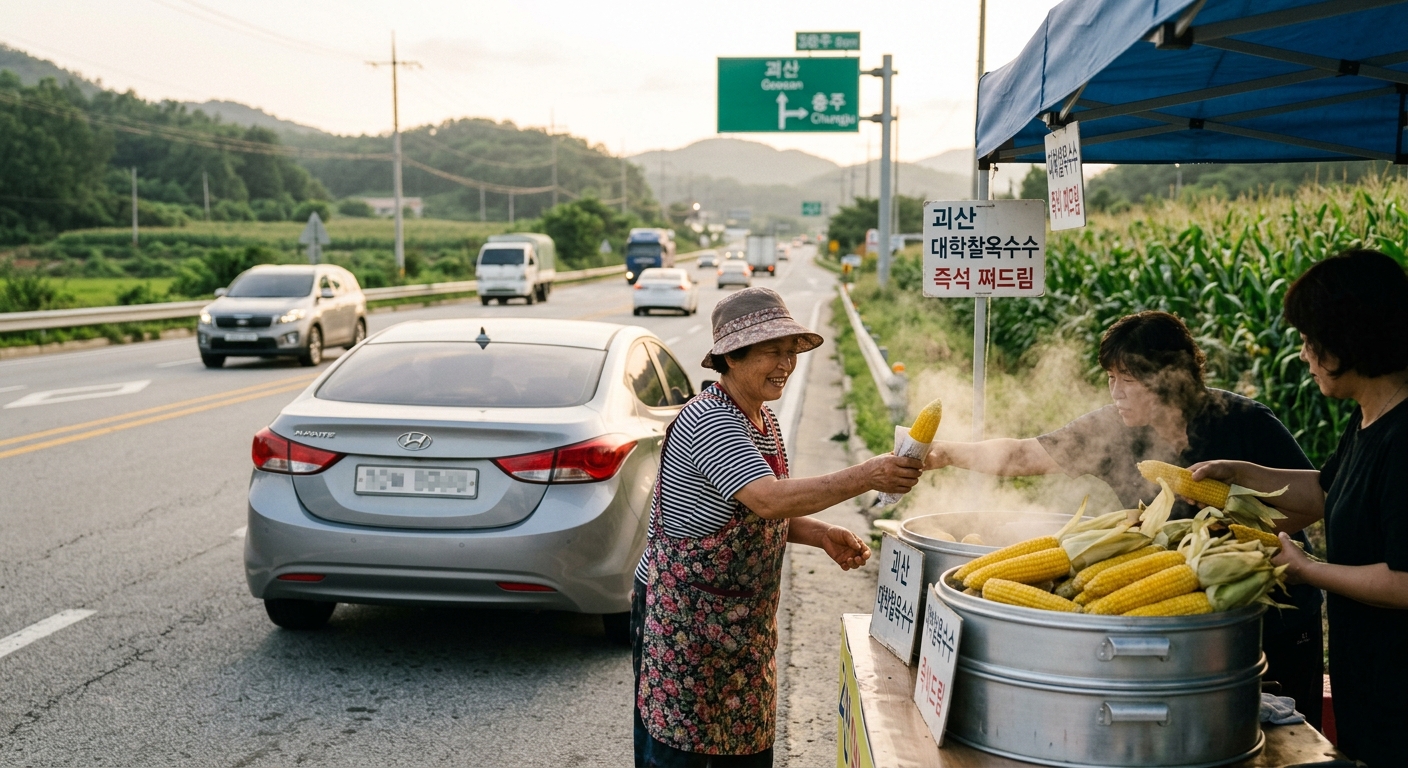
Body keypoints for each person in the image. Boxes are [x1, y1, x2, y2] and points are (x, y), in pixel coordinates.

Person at [924, 310, 1324, 727]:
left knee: (1289, 738)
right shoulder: (1113, 428)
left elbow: (1312, 505)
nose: (1116, 392)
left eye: (1128, 380)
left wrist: (1226, 540)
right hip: (1181, 617)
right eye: (1110, 378)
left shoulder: (1245, 424)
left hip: (1273, 616)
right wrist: (946, 453)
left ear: (1174, 376)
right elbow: (1026, 454)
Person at [631, 287, 922, 768]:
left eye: (790, 353)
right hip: (686, 626)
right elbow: (766, 501)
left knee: (743, 751)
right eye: (773, 352)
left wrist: (819, 533)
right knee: (680, 751)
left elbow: (752, 514)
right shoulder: (707, 420)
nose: (785, 364)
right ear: (732, 356)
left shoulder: (762, 418)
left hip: (743, 628)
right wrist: (867, 474)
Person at [1192, 250, 1408, 765]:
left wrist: (1310, 570)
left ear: (1350, 338)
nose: (1305, 356)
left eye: (1311, 342)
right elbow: (1329, 492)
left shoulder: (1404, 439)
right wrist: (1244, 475)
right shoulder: (1369, 417)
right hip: (1370, 684)